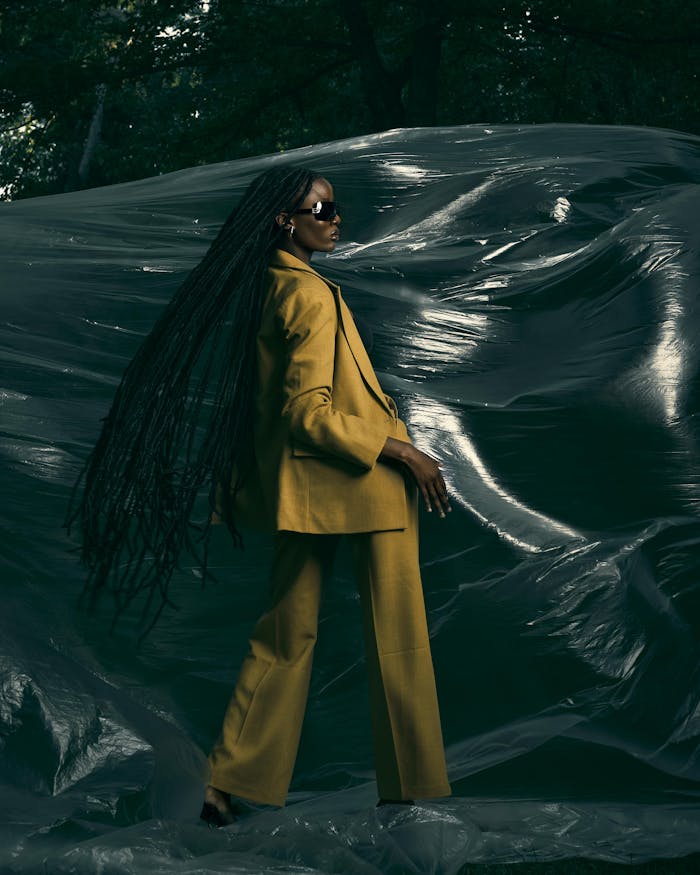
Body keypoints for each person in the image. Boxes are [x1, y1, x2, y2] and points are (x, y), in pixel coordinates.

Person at [67, 165, 451, 827]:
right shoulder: (306, 294)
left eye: (335, 207)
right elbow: (309, 415)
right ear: (284, 219)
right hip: (362, 480)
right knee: (398, 636)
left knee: (285, 633)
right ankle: (408, 791)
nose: (335, 218)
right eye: (321, 208)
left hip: (308, 490)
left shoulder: (271, 285)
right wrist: (405, 451)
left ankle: (225, 782)